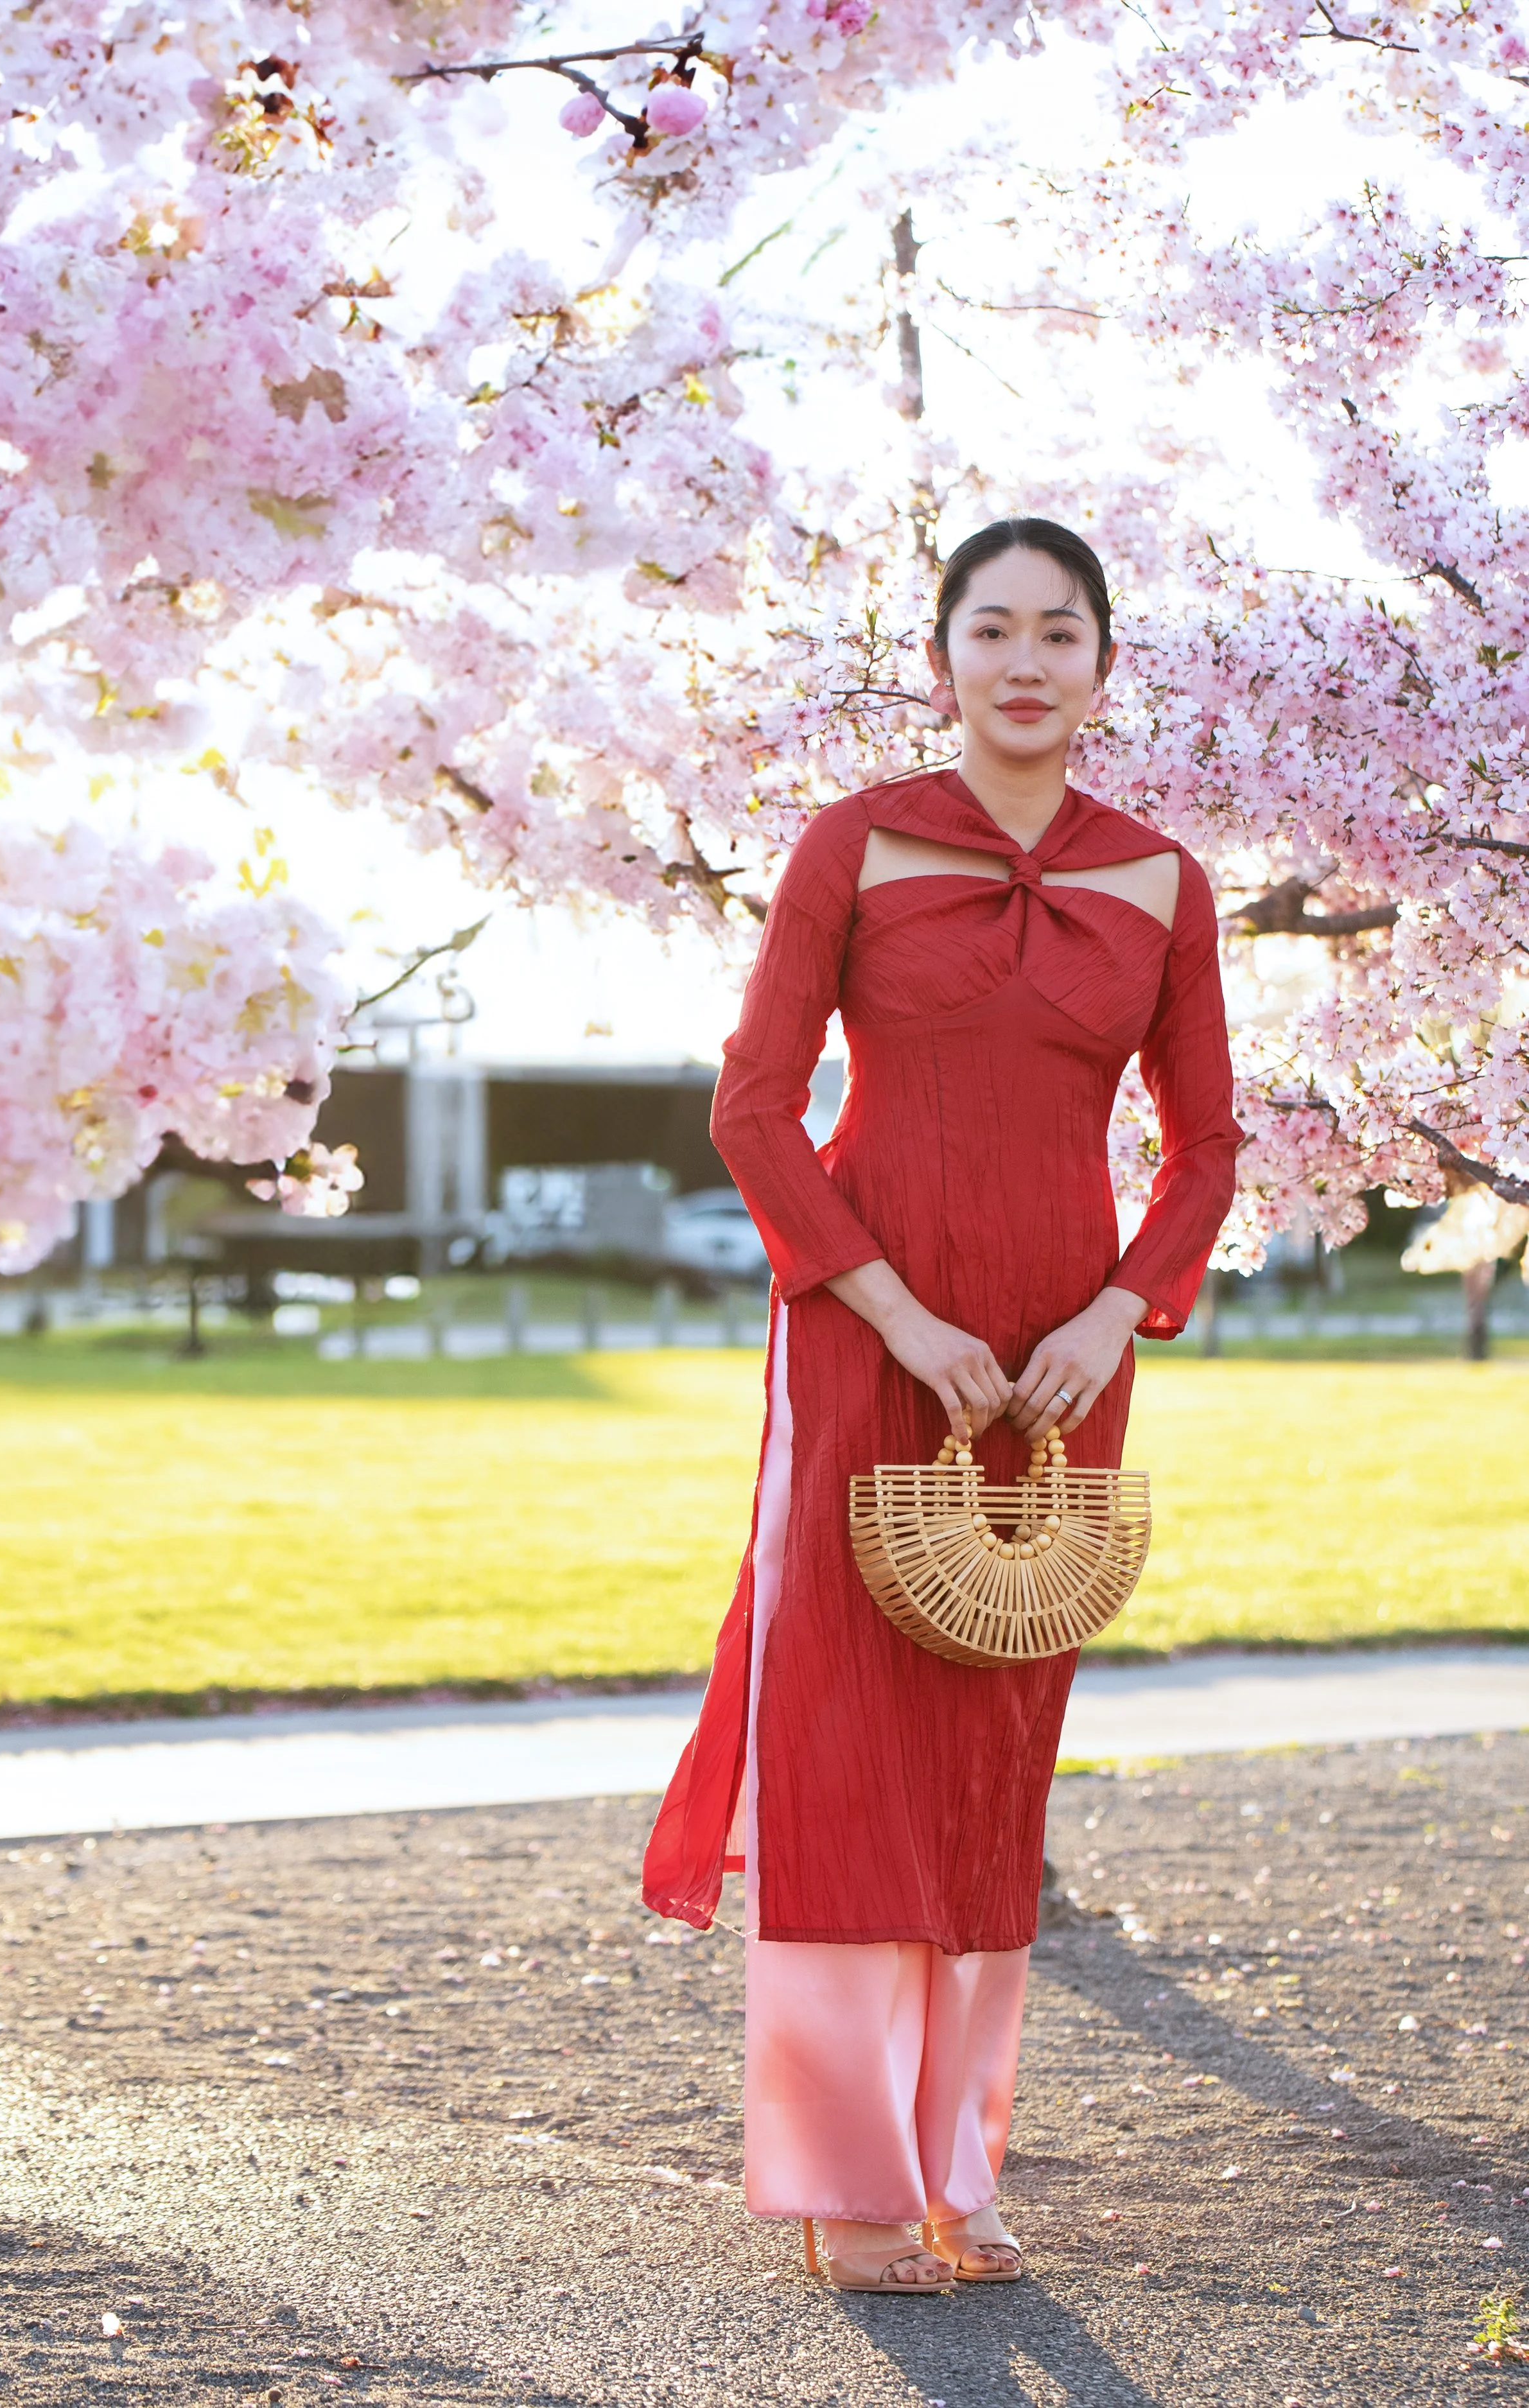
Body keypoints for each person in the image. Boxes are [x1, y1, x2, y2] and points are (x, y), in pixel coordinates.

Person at [643, 518, 1241, 2292]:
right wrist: (893, 1311)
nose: (1027, 660)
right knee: (841, 1733)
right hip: (864, 1326)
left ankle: (957, 2179)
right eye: (993, 628)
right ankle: (841, 2181)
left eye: (1062, 631)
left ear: (1103, 666)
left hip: (1061, 1360)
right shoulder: (853, 840)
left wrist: (1117, 1310)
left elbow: (1207, 1145)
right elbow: (754, 1107)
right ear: (943, 658)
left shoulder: (1163, 881)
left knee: (993, 1751)